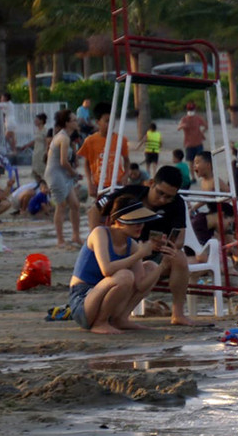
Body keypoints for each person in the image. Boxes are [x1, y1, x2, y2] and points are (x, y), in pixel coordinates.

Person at [89, 165, 197, 326]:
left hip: (153, 253)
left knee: (179, 256)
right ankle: (112, 317)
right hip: (125, 253)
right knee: (130, 271)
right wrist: (98, 239)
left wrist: (166, 244)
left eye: (168, 197)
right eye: (160, 193)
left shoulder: (177, 203)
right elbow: (95, 209)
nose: (163, 200)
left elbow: (180, 238)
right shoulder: (130, 193)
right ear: (151, 183)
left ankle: (178, 314)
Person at [68, 195, 170, 334]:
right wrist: (139, 254)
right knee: (125, 275)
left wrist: (163, 265)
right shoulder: (100, 233)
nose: (140, 226)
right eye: (134, 222)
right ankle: (100, 322)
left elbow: (141, 285)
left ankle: (120, 319)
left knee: (151, 267)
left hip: (105, 298)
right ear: (118, 222)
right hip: (83, 300)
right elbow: (106, 269)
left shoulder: (131, 244)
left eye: (141, 221)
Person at [45, 109, 83, 249]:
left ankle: (76, 236)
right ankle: (60, 240)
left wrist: (72, 172)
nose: (76, 122)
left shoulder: (66, 137)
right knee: (61, 206)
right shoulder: (63, 138)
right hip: (55, 174)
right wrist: (74, 173)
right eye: (74, 120)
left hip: (63, 174)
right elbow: (63, 162)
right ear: (67, 123)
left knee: (75, 205)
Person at [77, 102, 130, 194]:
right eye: (107, 121)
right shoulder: (90, 141)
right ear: (98, 122)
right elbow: (86, 164)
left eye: (113, 120)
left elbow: (126, 160)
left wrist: (125, 175)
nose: (111, 124)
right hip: (99, 185)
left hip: (117, 184)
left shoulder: (121, 140)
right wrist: (89, 182)